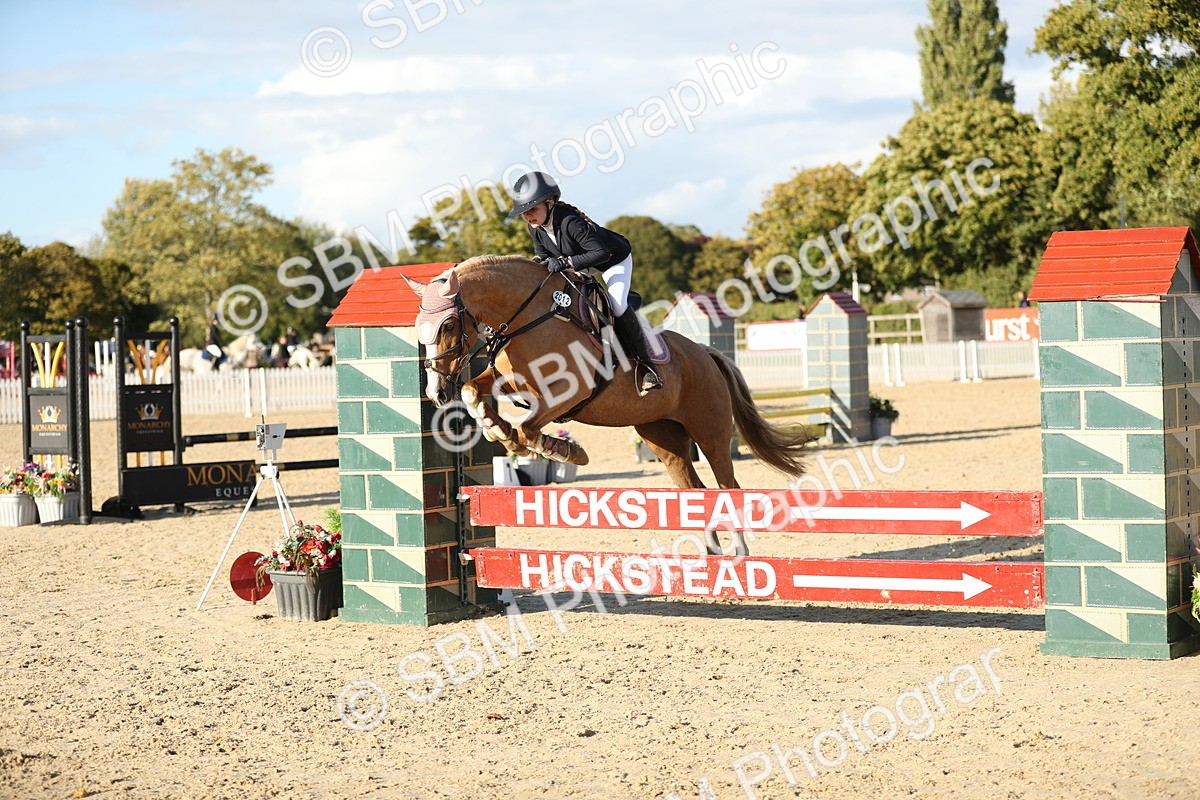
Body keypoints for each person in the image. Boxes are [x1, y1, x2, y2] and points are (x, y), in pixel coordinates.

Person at [508, 171, 662, 395]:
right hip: (582, 265)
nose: (529, 216)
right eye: (524, 212)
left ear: (549, 203)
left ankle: (648, 366)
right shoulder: (535, 228)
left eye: (532, 209)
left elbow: (601, 253)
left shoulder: (570, 222)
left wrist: (565, 262)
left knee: (617, 305)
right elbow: (541, 255)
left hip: (612, 260)